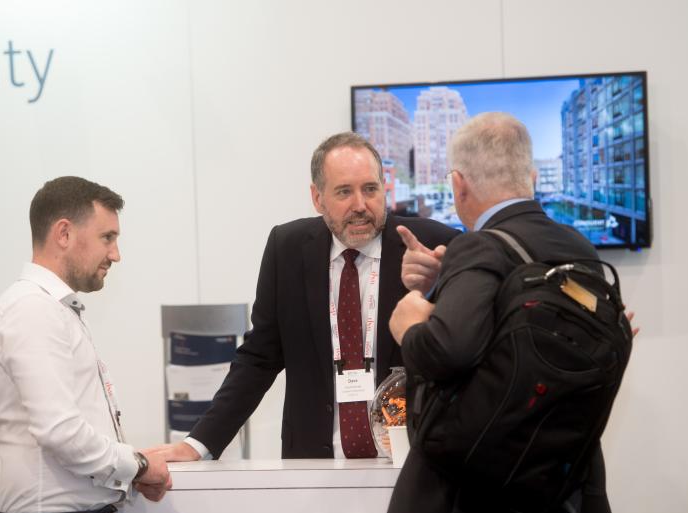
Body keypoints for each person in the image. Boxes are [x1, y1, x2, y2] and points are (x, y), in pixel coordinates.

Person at [377, 113, 620, 513]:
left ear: (458, 184)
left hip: (483, 507)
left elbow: (450, 349)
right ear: (531, 176)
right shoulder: (580, 248)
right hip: (566, 497)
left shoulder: (478, 246)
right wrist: (441, 286)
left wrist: (409, 324)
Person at [152, 132, 459, 462]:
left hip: (412, 463)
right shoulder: (287, 248)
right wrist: (199, 443)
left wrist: (434, 289)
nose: (360, 205)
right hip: (314, 463)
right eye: (344, 191)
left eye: (370, 189)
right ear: (317, 198)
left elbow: (463, 348)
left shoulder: (432, 246)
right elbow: (259, 357)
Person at [0, 177, 172, 513]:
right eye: (107, 237)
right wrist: (137, 465)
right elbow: (60, 430)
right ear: (64, 233)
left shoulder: (51, 310)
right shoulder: (33, 309)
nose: (115, 254)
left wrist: (130, 472)